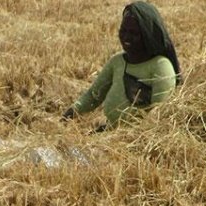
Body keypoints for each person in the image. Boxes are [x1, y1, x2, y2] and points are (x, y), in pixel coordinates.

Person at [62, 1, 181, 130]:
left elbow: (159, 115)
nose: (126, 37)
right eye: (123, 30)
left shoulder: (161, 66)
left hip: (136, 141)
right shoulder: (117, 62)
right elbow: (93, 96)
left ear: (147, 36)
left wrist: (126, 137)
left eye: (134, 33)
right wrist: (68, 116)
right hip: (111, 134)